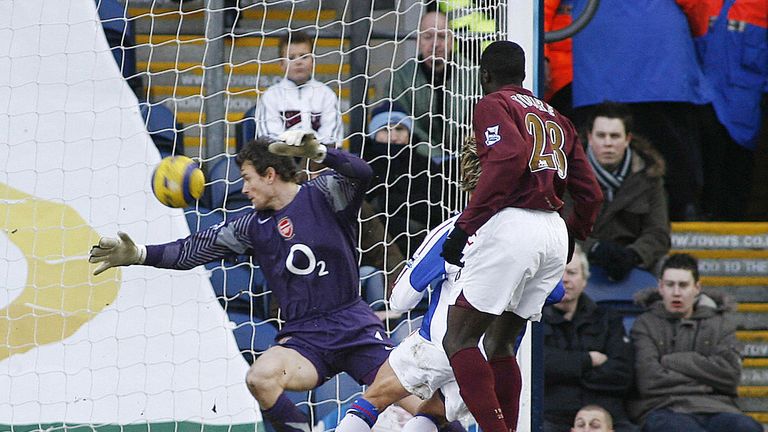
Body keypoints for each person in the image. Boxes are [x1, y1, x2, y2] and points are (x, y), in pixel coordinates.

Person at [89, 132, 395, 432]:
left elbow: (362, 172)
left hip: (353, 326)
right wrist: (141, 253)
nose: (244, 188)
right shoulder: (252, 226)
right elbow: (190, 250)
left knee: (425, 405)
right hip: (307, 338)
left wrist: (322, 154)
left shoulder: (324, 194)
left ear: (270, 174)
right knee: (260, 378)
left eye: (248, 178)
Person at [335, 137, 566, 432]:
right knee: (434, 413)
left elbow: (402, 298)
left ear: (469, 178)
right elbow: (555, 291)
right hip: (489, 357)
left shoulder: (457, 229)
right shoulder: (536, 238)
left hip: (440, 341)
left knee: (376, 396)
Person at [439, 41, 603, 432]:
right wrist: (573, 237)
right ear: (526, 74)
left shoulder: (493, 104)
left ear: (484, 75)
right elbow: (592, 193)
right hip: (551, 230)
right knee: (500, 344)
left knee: (458, 340)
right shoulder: (559, 119)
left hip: (513, 224)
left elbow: (509, 157)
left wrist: (465, 227)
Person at [570, 0, 711, 220]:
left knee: (594, 146)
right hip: (662, 55)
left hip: (598, 47)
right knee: (673, 148)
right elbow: (697, 6)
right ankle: (681, 212)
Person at [630, 253, 762, 432]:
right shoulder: (645, 324)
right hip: (664, 408)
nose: (676, 292)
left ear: (697, 288)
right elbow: (649, 381)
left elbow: (730, 375)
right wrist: (707, 382)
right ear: (660, 287)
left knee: (748, 428)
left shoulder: (720, 324)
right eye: (670, 285)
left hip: (717, 407)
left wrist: (672, 361)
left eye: (683, 285)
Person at [542, 244, 637, 432]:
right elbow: (540, 368)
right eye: (559, 273)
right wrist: (588, 360)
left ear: (585, 280)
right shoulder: (534, 322)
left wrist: (566, 371)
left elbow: (622, 374)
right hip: (553, 418)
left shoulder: (609, 319)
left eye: (572, 273)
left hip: (607, 415)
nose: (565, 280)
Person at [580, 102, 670, 282]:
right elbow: (561, 230)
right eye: (601, 135)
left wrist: (634, 254)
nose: (608, 143)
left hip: (634, 262)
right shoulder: (569, 174)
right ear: (590, 137)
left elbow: (658, 232)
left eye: (614, 136)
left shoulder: (649, 176)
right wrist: (594, 248)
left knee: (670, 271)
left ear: (627, 139)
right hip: (581, 259)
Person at [389, 10, 476, 161]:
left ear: (452, 40)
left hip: (465, 161)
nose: (435, 44)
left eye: (442, 36)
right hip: (417, 161)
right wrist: (435, 156)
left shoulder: (472, 75)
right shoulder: (401, 77)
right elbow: (400, 122)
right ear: (418, 41)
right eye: (428, 37)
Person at [364, 101, 438, 256]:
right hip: (374, 246)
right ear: (373, 134)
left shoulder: (425, 164)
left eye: (399, 128)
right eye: (385, 129)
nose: (393, 136)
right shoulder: (364, 166)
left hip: (421, 242)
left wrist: (385, 203)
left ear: (409, 133)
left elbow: (434, 205)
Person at [253, 30, 343, 145]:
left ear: (313, 61)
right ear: (281, 64)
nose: (298, 62)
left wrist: (309, 145)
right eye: (291, 57)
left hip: (317, 158)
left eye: (304, 57)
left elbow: (331, 137)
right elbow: (269, 136)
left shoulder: (326, 94)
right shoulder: (271, 96)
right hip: (282, 157)